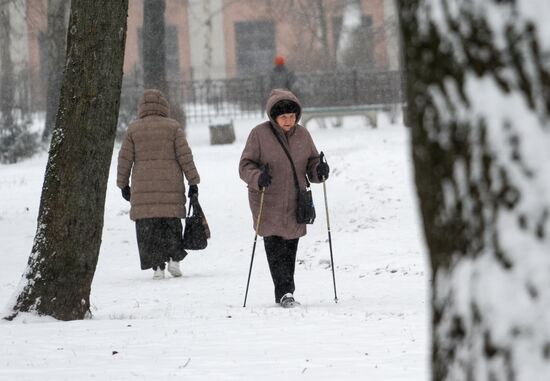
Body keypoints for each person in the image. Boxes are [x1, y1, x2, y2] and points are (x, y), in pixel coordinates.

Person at [239, 88, 330, 308]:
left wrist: (320, 170)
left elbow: (312, 163)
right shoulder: (259, 135)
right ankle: (284, 292)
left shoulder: (303, 135)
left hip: (295, 201)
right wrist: (258, 177)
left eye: (292, 117)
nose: (288, 121)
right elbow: (245, 165)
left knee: (290, 248)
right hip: (267, 200)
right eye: (284, 117)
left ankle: (286, 290)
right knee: (274, 246)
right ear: (274, 117)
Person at [117, 89, 200, 280]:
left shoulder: (134, 129)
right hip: (170, 189)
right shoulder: (173, 127)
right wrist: (193, 181)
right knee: (171, 225)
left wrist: (123, 184)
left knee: (149, 229)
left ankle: (157, 267)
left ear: (141, 108)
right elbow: (185, 157)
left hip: (143, 191)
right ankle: (174, 260)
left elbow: (124, 159)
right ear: (164, 106)